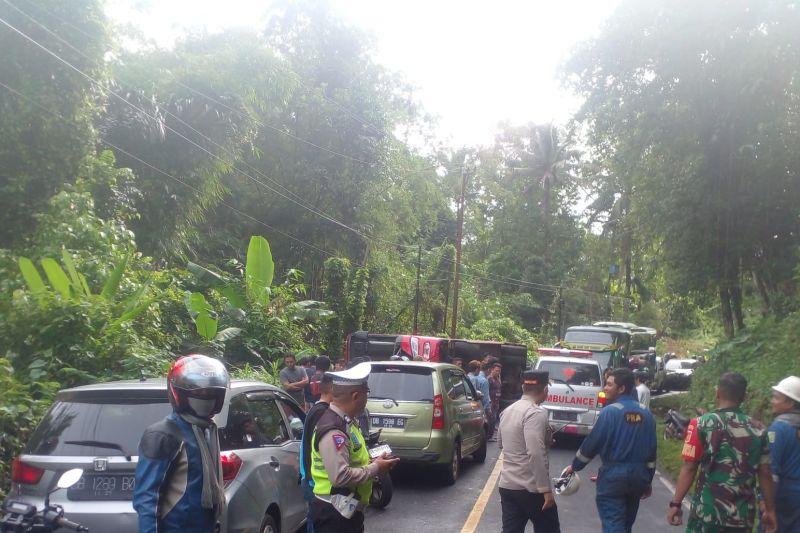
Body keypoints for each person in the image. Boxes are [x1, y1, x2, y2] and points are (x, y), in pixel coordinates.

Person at [667, 372, 777, 532]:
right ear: (744, 396)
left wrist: (675, 504)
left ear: (717, 392)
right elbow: (765, 472)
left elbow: (689, 468)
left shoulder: (700, 424)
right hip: (742, 517)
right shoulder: (759, 429)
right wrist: (770, 510)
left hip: (706, 513)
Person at [133, 354, 229, 533]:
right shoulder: (164, 435)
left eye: (211, 393)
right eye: (199, 393)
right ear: (180, 394)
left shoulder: (206, 431)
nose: (206, 398)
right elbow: (147, 499)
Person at [563, 368, 656, 533]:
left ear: (621, 389)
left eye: (609, 384)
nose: (605, 388)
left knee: (613, 525)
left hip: (614, 477)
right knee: (626, 525)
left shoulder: (610, 412)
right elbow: (651, 451)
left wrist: (575, 466)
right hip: (639, 478)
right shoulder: (647, 414)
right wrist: (647, 480)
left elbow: (592, 444)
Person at [309, 363, 399, 532]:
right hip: (334, 514)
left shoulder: (346, 422)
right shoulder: (334, 429)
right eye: (367, 393)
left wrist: (375, 462)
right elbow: (340, 476)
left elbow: (351, 459)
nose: (367, 398)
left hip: (346, 510)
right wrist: (375, 467)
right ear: (356, 396)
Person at [497, 370, 560, 533]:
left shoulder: (507, 411)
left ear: (523, 387)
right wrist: (545, 490)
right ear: (545, 389)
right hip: (530, 488)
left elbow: (501, 443)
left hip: (508, 486)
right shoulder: (535, 413)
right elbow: (535, 453)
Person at [301, 373, 335, 533]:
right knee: (315, 522)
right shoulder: (322, 413)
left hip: (311, 477)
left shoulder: (316, 409)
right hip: (315, 480)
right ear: (333, 389)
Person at [767, 375, 800, 531]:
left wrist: (767, 505)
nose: (772, 401)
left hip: (784, 497)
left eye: (777, 397)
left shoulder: (779, 428)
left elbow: (771, 471)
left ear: (791, 402)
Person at [488, 362, 503, 441]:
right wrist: (489, 405)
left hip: (496, 402)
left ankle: (490, 435)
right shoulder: (489, 379)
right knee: (491, 419)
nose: (498, 372)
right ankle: (488, 436)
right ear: (492, 370)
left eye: (499, 371)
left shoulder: (498, 379)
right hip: (491, 402)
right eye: (496, 370)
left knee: (493, 419)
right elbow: (487, 392)